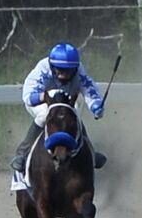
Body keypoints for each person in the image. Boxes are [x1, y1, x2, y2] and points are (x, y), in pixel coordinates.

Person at [13, 42, 107, 171]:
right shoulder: (42, 69)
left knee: (74, 116)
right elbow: (29, 97)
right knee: (45, 114)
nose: (64, 74)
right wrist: (47, 98)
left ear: (75, 68)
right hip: (41, 103)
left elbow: (89, 90)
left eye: (68, 71)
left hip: (64, 103)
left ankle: (90, 152)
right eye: (60, 70)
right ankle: (22, 153)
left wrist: (96, 106)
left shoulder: (79, 71)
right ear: (52, 66)